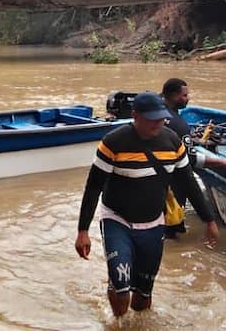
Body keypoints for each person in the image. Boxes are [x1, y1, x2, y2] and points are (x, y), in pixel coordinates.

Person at [75, 92, 218, 318]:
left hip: (153, 223)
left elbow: (188, 183)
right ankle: (118, 321)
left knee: (143, 295)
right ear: (135, 116)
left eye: (160, 118)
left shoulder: (172, 142)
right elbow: (93, 187)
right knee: (121, 286)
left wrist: (209, 220)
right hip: (117, 219)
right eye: (151, 118)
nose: (157, 123)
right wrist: (82, 230)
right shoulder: (113, 142)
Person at [160, 77, 226, 237]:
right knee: (172, 226)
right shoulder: (179, 125)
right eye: (184, 95)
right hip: (173, 181)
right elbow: (190, 159)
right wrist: (221, 162)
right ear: (174, 96)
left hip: (153, 178)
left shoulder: (155, 109)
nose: (188, 98)